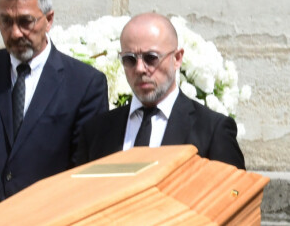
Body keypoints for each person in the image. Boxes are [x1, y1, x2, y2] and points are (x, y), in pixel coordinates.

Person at [0, 0, 108, 206]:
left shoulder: (84, 84)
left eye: (26, 22)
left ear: (49, 19)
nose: (15, 33)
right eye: (5, 21)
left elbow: (85, 170)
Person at [76, 13, 245, 170]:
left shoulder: (211, 130)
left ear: (177, 58)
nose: (140, 69)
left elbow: (237, 195)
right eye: (130, 60)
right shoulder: (96, 132)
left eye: (151, 58)